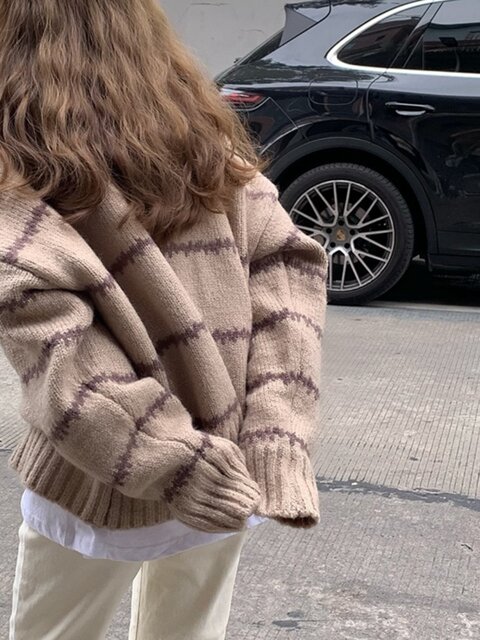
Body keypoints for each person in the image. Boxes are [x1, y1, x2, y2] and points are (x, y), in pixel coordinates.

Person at [0, 1, 328, 639]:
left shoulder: (23, 176)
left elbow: (70, 369)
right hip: (224, 469)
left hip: (101, 479)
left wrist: (191, 459)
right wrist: (273, 433)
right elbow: (288, 269)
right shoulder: (204, 139)